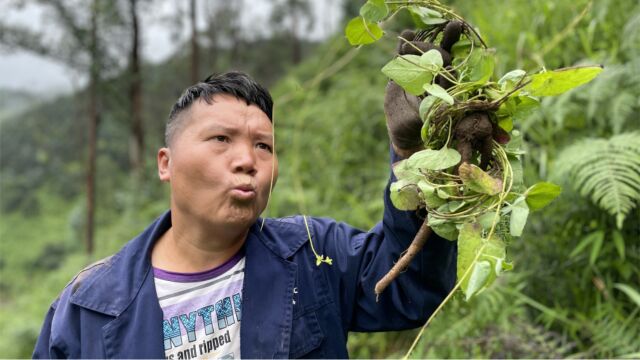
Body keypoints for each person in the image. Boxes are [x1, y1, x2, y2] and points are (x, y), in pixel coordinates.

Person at [33, 69, 457, 358]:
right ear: (166, 163)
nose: (247, 161)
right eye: (220, 138)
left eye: (263, 146)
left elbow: (410, 291)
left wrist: (419, 161)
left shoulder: (314, 254)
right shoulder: (86, 309)